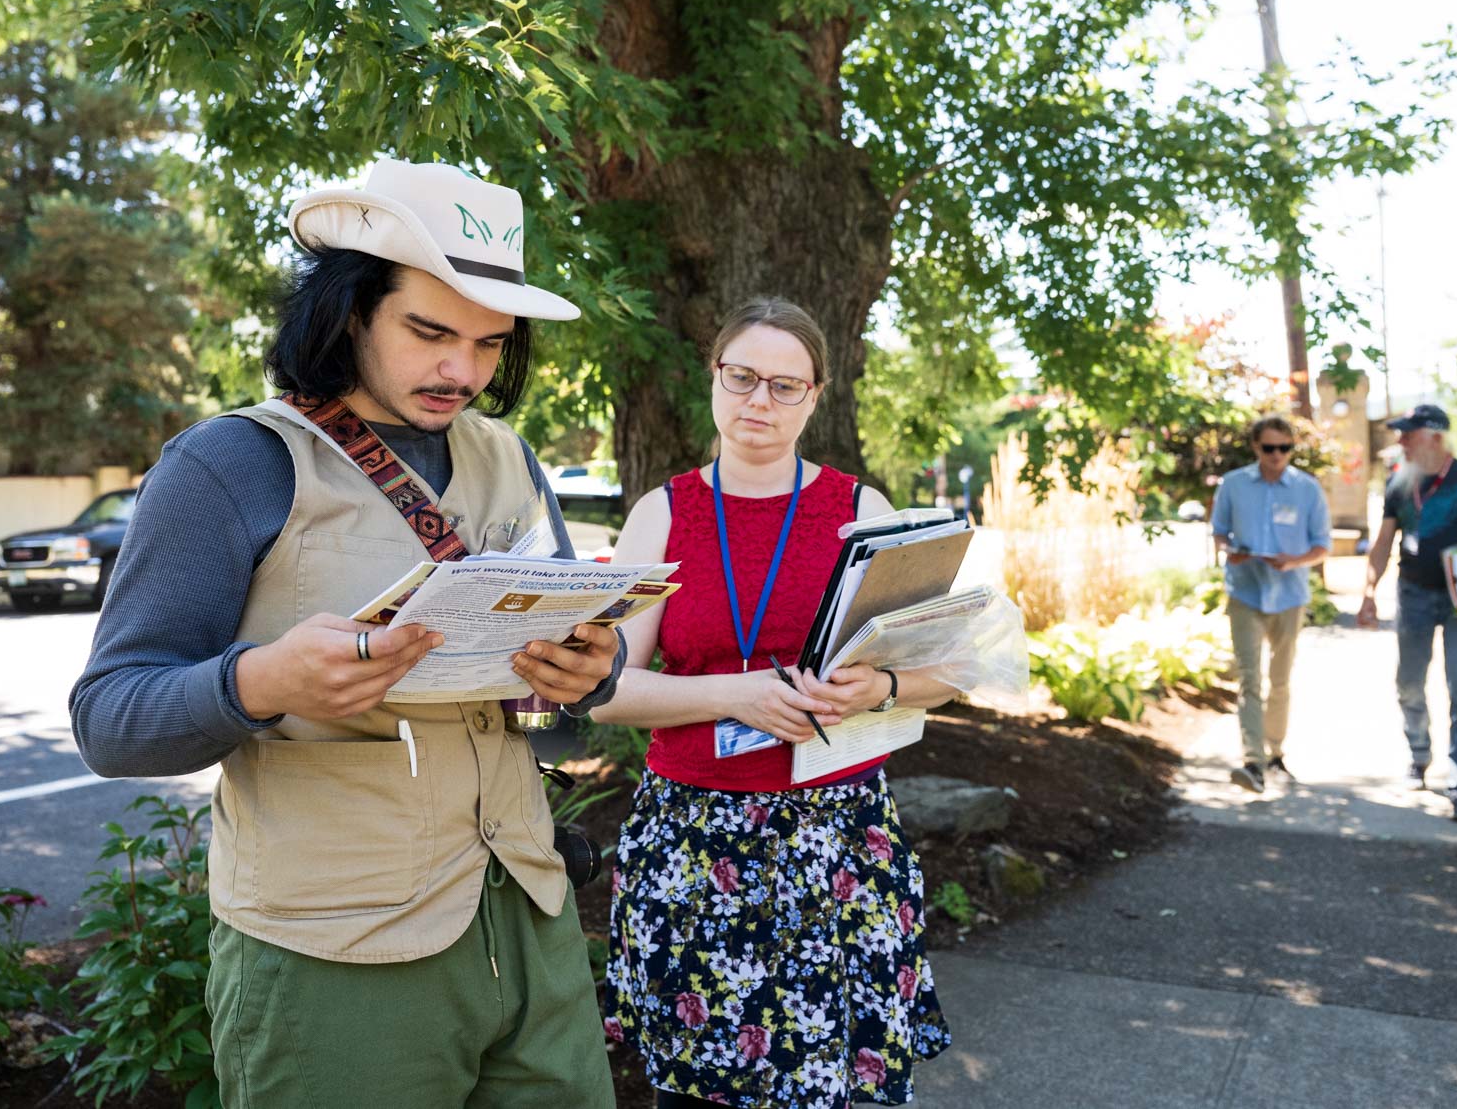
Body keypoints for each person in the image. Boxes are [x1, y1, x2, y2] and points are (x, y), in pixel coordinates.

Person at [70, 160, 624, 1108]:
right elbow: (111, 719)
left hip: (530, 919)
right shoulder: (230, 464)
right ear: (348, 308)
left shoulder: (511, 458)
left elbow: (563, 690)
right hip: (334, 953)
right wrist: (260, 685)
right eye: (430, 330)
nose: (465, 370)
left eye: (492, 343)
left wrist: (584, 670)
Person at [593, 298, 953, 1109]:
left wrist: (881, 686)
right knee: (698, 1091)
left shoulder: (862, 513)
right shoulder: (663, 513)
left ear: (816, 396)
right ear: (713, 379)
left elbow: (944, 670)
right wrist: (735, 695)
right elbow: (605, 688)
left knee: (838, 1089)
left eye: (785, 385)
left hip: (838, 843)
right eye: (743, 377)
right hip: (694, 845)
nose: (760, 400)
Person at [1357, 404, 1457, 823]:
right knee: (1408, 682)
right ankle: (1419, 753)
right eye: (1400, 434)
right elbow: (1382, 543)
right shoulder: (1399, 481)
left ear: (1436, 437)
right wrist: (1369, 592)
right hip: (1413, 594)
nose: (1400, 441)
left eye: (1408, 434)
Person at [1210, 413, 1332, 793]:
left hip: (1289, 594)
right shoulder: (1233, 484)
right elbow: (1218, 534)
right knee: (1249, 678)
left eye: (1284, 447)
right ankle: (1253, 761)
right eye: (1269, 447)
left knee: (1280, 681)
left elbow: (1322, 546)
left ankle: (1275, 752)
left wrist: (1293, 561)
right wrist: (1232, 552)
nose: (1277, 454)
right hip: (1245, 590)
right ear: (1255, 447)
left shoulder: (1308, 489)